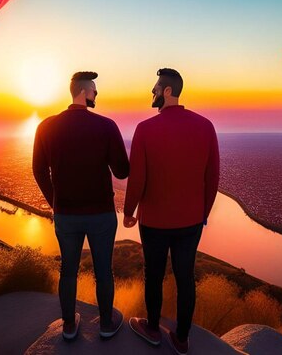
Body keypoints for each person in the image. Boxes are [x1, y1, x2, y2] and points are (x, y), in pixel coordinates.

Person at [123, 68, 219, 355]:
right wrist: (203, 212)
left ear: (167, 91)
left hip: (153, 221)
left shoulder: (145, 129)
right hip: (191, 221)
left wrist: (129, 211)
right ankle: (182, 338)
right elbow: (212, 176)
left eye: (155, 88)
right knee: (185, 276)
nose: (151, 92)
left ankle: (152, 329)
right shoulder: (206, 126)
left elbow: (137, 178)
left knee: (153, 274)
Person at [32, 71, 129, 341]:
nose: (96, 95)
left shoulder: (45, 127)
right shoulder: (106, 125)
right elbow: (122, 171)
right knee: (103, 271)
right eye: (95, 91)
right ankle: (107, 324)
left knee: (68, 270)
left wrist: (56, 202)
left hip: (66, 215)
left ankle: (68, 326)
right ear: (85, 92)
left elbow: (38, 170)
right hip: (101, 214)